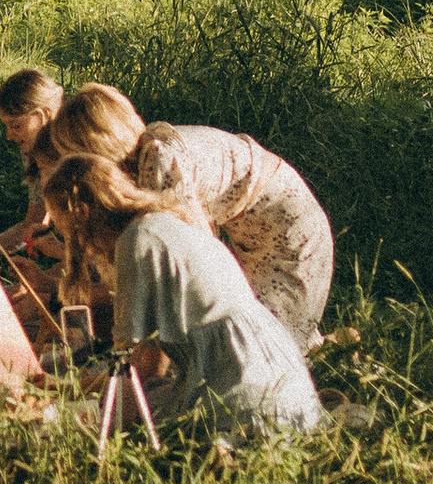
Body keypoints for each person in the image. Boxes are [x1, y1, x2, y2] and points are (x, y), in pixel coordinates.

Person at [41, 82, 335, 350]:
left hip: (289, 234)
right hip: (251, 231)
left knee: (265, 345)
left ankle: (335, 352)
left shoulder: (160, 160)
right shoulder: (145, 156)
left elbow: (196, 259)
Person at [42, 154, 320, 435]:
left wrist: (83, 418)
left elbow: (131, 372)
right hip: (286, 388)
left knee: (125, 422)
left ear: (83, 216)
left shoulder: (138, 240)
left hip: (241, 393)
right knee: (152, 400)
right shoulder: (166, 223)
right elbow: (152, 364)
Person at [0, 68, 67, 305]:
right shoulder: (32, 149)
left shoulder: (75, 154)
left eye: (16, 125)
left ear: (41, 115)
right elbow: (36, 222)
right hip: (84, 261)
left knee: (27, 302)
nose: (9, 135)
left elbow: (100, 258)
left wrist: (40, 286)